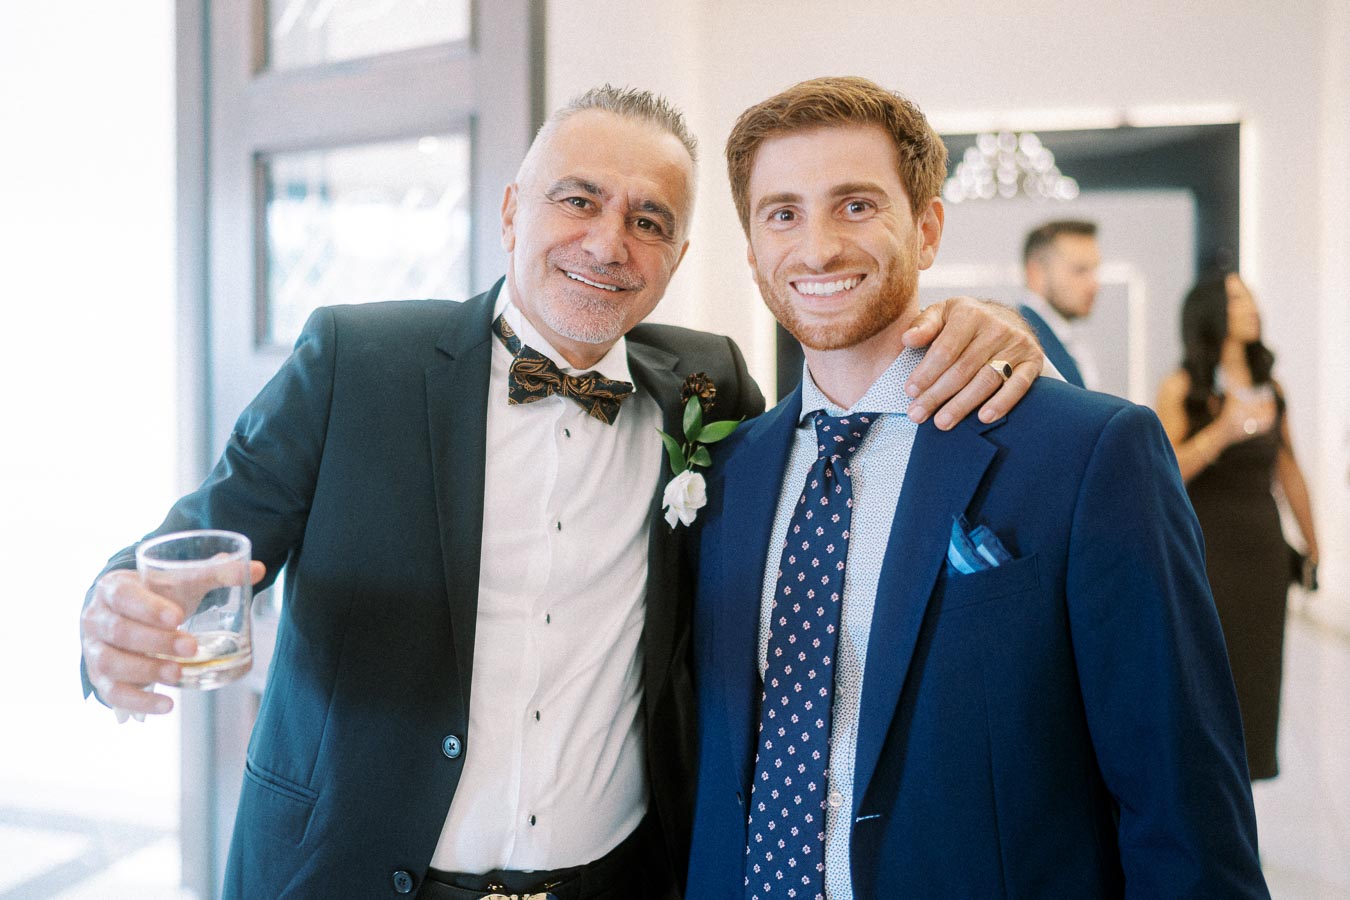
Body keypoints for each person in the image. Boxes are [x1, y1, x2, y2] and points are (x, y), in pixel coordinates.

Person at [78, 86, 1045, 899]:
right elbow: (193, 550)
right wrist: (113, 616)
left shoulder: (708, 387)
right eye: (577, 201)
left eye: (649, 220)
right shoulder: (355, 363)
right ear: (511, 212)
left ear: (679, 253)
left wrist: (979, 322)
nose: (608, 243)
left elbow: (846, 406)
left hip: (616, 881)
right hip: (346, 872)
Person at [686, 76, 1267, 898]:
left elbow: (1182, 799)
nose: (816, 248)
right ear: (751, 251)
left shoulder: (1088, 451)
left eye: (856, 205)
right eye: (782, 213)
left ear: (926, 229)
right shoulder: (727, 471)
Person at [1155, 269, 1320, 781]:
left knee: (1257, 676)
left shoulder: (1272, 387)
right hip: (1204, 551)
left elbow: (1289, 469)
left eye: (1249, 296)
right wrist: (1221, 434)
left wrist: (1314, 545)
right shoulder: (1183, 388)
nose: (1250, 306)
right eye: (1235, 298)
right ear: (1210, 313)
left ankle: (1246, 792)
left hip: (1263, 553)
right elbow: (1162, 474)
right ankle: (1203, 792)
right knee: (1206, 677)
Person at [1018, 219, 1101, 388]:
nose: (1094, 284)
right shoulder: (1020, 342)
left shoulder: (1067, 339)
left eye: (1095, 270)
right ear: (1036, 273)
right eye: (1080, 270)